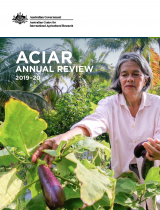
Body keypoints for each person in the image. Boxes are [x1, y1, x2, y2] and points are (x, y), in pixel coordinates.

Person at [32, 52, 160, 209]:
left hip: (156, 188)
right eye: (124, 74)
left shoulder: (157, 105)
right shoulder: (109, 105)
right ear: (119, 79)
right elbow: (95, 121)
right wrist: (66, 136)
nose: (129, 79)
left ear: (145, 79)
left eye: (136, 74)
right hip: (123, 192)